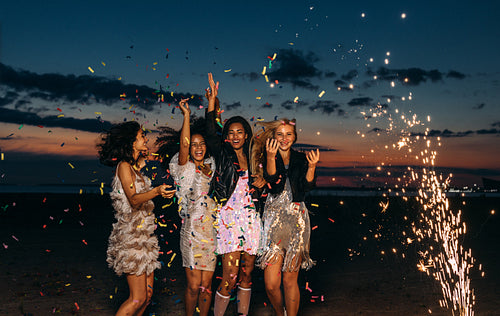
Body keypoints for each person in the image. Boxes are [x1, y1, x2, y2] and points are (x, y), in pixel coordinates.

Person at [97, 121, 176, 316]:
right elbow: (133, 199)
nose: (146, 139)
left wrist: (144, 162)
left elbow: (143, 189)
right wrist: (157, 191)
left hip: (145, 236)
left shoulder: (135, 168)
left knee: (147, 297)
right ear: (132, 142)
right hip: (131, 236)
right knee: (137, 298)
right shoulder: (123, 166)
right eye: (142, 136)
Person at [204, 73, 266, 316]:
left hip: (252, 219)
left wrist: (263, 182)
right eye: (231, 132)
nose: (235, 136)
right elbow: (210, 132)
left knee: (247, 273)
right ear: (226, 136)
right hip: (230, 219)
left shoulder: (254, 157)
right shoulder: (222, 153)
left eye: (239, 132)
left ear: (246, 134)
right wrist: (213, 101)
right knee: (229, 276)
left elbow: (267, 182)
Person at [250, 118, 320, 316]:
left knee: (290, 280)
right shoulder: (266, 157)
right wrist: (271, 157)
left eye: (288, 134)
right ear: (274, 137)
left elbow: (307, 187)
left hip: (297, 220)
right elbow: (273, 182)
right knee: (271, 284)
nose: (284, 138)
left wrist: (312, 166)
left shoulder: (300, 158)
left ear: (295, 136)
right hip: (274, 221)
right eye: (279, 134)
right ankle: (281, 313)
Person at [168, 98, 217, 316]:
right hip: (192, 233)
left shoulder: (213, 165)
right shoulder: (183, 166)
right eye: (194, 144)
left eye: (202, 144)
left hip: (212, 231)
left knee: (207, 285)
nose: (198, 147)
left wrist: (213, 105)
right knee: (193, 286)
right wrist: (186, 116)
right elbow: (184, 144)